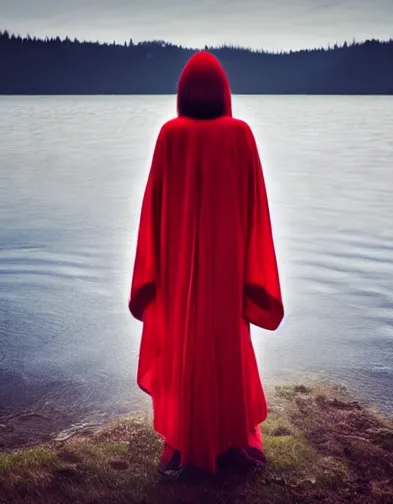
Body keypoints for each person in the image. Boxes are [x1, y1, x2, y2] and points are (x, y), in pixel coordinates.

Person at [129, 51, 284, 477]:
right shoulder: (240, 136)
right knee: (226, 349)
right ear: (223, 92)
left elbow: (153, 212)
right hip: (228, 268)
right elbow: (256, 210)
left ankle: (185, 447)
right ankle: (230, 445)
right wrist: (255, 273)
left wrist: (153, 271)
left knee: (184, 349)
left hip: (179, 271)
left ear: (183, 94)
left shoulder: (169, 136)